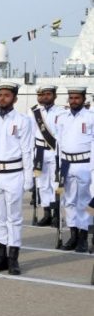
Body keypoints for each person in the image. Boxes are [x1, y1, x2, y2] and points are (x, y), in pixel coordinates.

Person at [0, 83, 33, 274]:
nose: (2, 98)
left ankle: (13, 259)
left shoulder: (23, 121)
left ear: (15, 99)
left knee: (14, 219)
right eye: (0, 95)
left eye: (6, 95)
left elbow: (27, 151)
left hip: (14, 174)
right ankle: (0, 257)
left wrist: (28, 178)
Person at [55, 87, 94, 253]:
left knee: (84, 201)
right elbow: (59, 142)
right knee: (69, 201)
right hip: (66, 164)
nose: (73, 101)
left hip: (84, 163)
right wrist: (58, 165)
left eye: (77, 98)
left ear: (83, 99)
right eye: (71, 98)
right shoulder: (62, 118)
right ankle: (73, 235)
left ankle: (84, 236)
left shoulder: (91, 117)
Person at [29, 85, 67, 227]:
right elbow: (31, 134)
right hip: (39, 152)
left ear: (55, 96)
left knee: (56, 184)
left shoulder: (62, 112)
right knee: (42, 184)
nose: (46, 96)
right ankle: (46, 214)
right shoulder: (35, 112)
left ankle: (56, 213)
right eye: (44, 94)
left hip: (55, 151)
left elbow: (62, 134)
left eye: (49, 94)